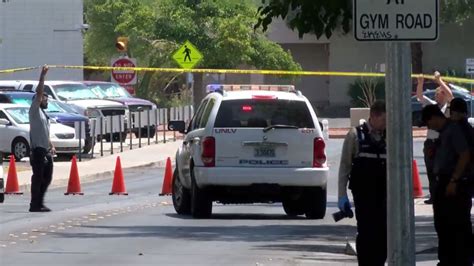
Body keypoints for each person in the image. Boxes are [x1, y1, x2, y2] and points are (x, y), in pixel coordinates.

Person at [421, 104, 472, 266]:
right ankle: (447, 260)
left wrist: (454, 180)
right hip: (442, 183)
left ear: (434, 118)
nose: (429, 127)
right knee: (443, 225)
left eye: (428, 123)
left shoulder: (453, 130)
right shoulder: (441, 134)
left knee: (456, 226)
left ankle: (459, 260)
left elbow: (464, 154)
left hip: (454, 185)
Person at [338, 100, 387, 265]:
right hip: (364, 195)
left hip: (385, 194)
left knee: (384, 233)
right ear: (373, 116)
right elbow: (344, 167)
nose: (386, 124)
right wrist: (342, 195)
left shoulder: (390, 136)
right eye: (384, 120)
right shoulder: (355, 135)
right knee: (367, 233)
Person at [416, 72, 453, 204]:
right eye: (436, 94)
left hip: (442, 144)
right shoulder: (432, 106)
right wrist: (420, 83)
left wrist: (439, 81)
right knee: (430, 170)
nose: (436, 96)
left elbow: (451, 96)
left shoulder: (448, 108)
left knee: (442, 171)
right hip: (430, 144)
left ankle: (444, 195)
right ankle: (434, 196)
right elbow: (420, 97)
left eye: (438, 93)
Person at [28, 66, 55, 212]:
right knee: (37, 177)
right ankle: (34, 204)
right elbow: (38, 93)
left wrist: (51, 145)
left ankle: (40, 202)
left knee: (48, 177)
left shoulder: (43, 114)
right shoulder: (34, 110)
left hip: (45, 150)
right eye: (45, 97)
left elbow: (45, 132)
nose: (46, 99)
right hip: (37, 150)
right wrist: (42, 76)